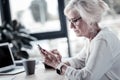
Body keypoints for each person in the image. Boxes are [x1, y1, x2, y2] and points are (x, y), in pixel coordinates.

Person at [39, 0, 120, 80]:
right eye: (69, 21)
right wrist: (54, 62)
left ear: (89, 17)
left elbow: (86, 77)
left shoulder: (103, 40)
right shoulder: (92, 39)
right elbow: (78, 61)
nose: (71, 26)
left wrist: (58, 65)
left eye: (74, 20)